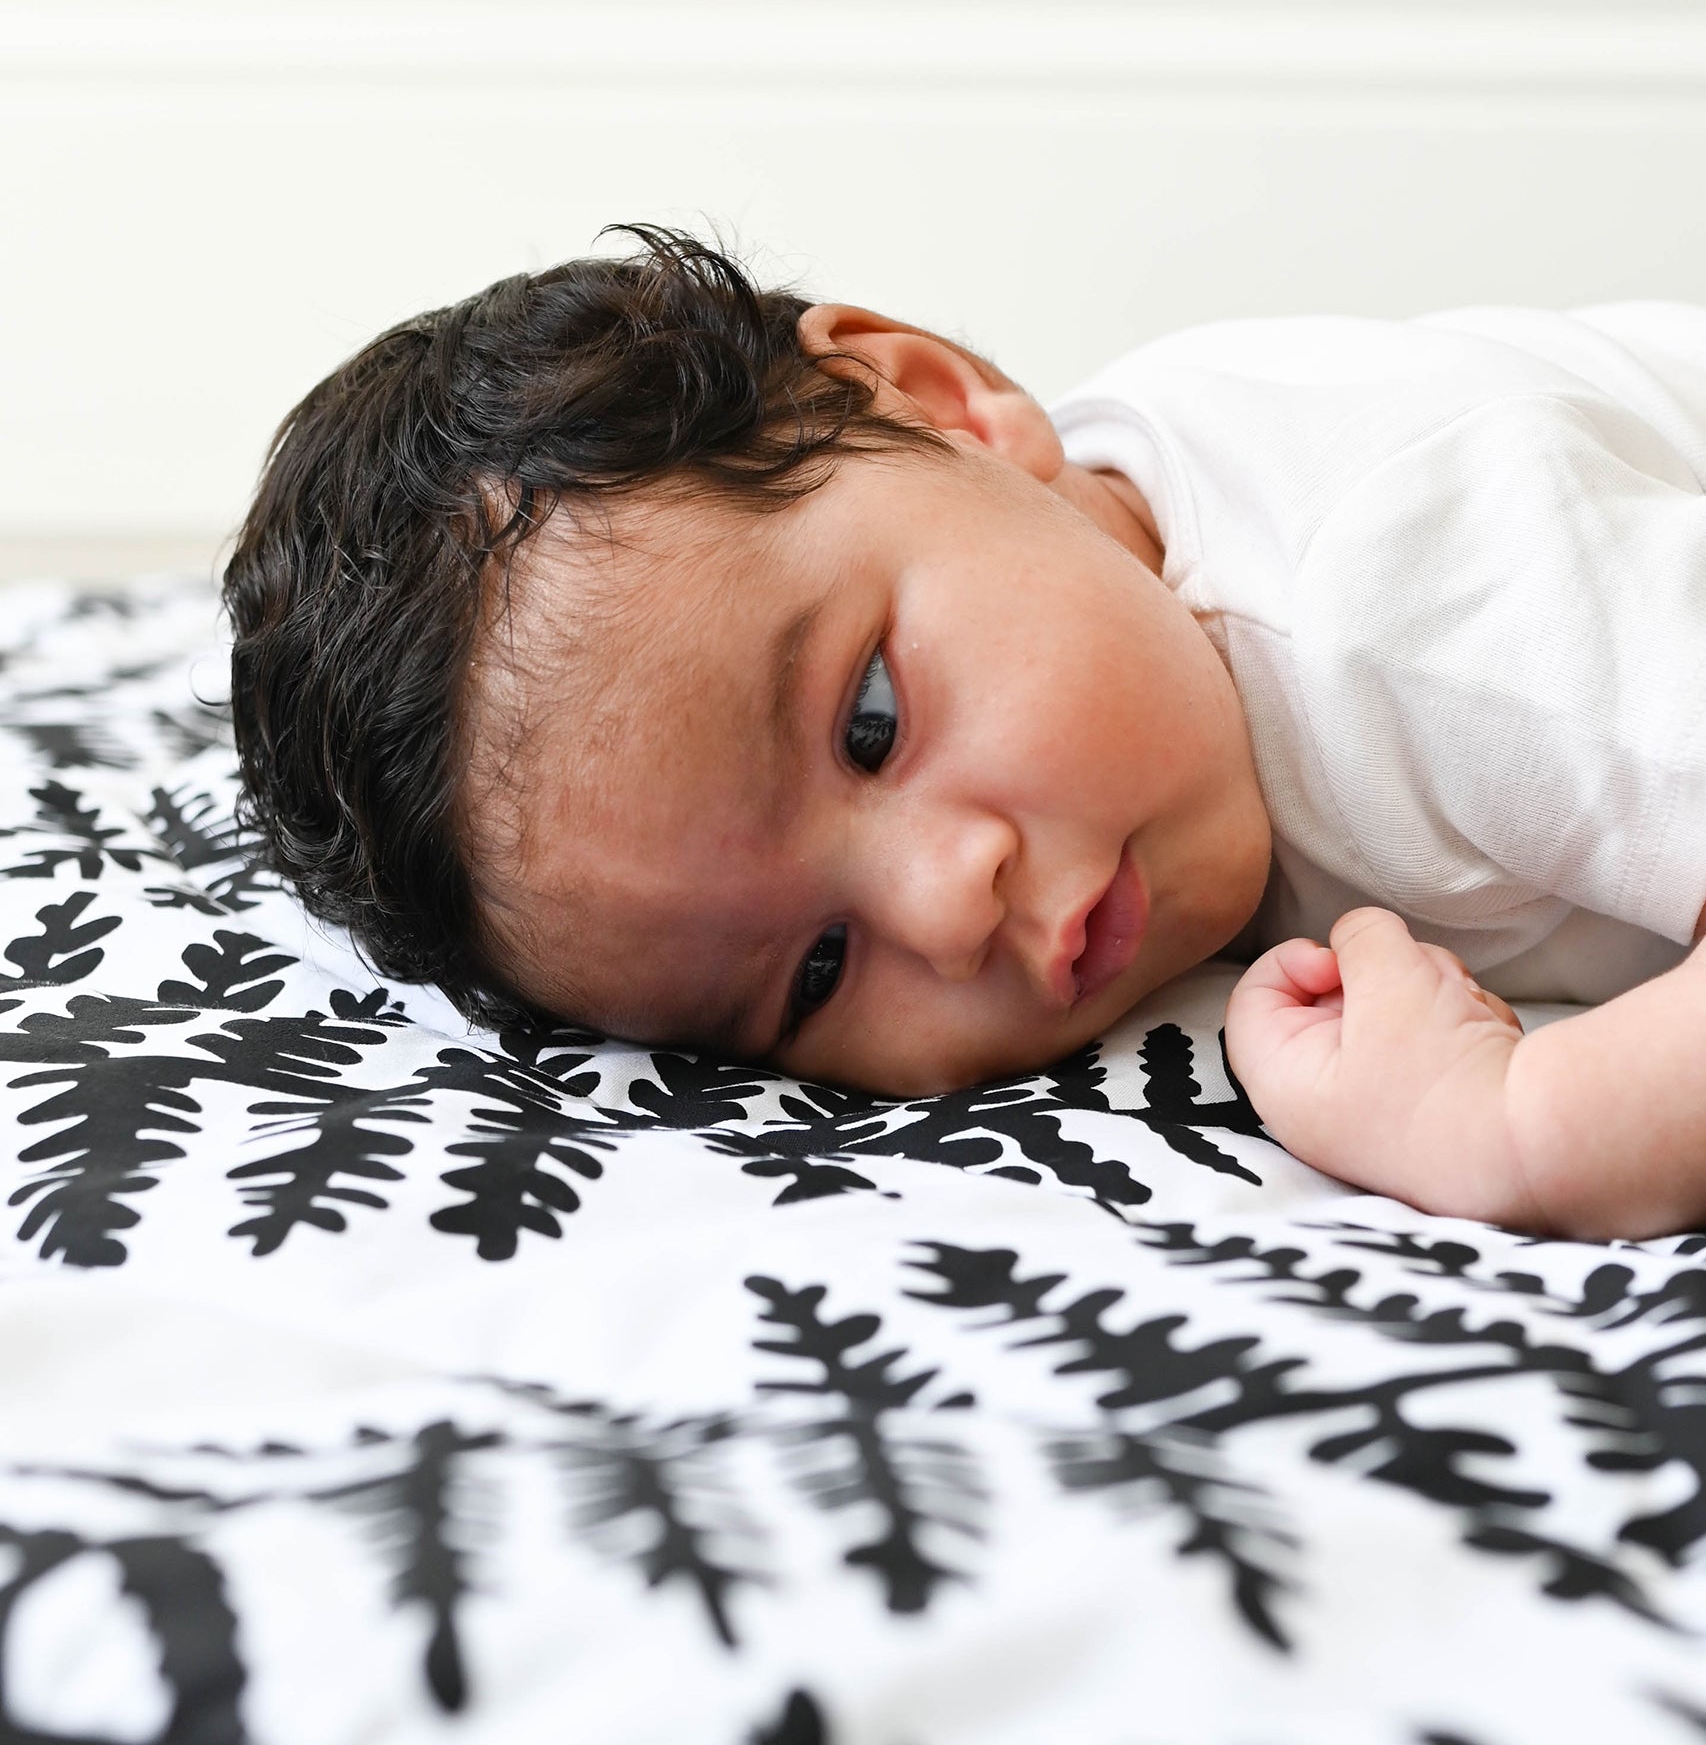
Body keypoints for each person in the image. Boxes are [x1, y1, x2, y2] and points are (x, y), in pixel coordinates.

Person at [225, 228, 1706, 1240]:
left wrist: (1518, 1128)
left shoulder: (1410, 590)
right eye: (812, 972)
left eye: (869, 723)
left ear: (945, 405)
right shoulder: (1043, 554)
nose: (945, 906)